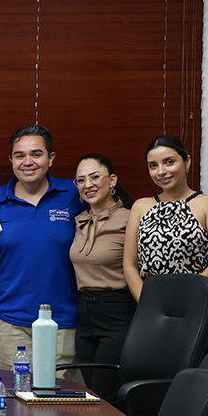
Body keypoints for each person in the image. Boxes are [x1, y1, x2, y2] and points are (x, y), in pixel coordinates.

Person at [0, 125, 83, 372]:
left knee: (54, 399)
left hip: (63, 321)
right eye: (20, 155)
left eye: (36, 154)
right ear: (11, 160)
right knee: (18, 397)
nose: (28, 162)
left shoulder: (73, 193)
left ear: (51, 158)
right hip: (8, 320)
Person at [125, 134, 208, 346]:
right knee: (154, 376)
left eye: (169, 162)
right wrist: (149, 304)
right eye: (153, 165)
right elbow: (129, 264)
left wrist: (181, 304)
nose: (161, 171)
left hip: (199, 308)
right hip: (152, 312)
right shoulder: (140, 207)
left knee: (199, 376)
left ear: (187, 161)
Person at [70, 153, 136, 400]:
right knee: (90, 393)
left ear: (112, 180)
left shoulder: (131, 218)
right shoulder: (79, 220)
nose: (88, 185)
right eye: (80, 180)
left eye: (95, 177)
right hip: (85, 311)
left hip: (117, 311)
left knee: (103, 395)